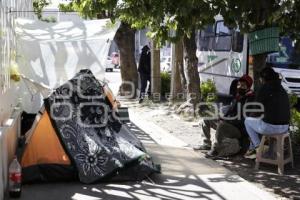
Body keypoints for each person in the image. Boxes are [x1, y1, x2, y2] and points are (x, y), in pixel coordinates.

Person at [194, 75, 255, 157]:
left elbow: (244, 120)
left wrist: (226, 120)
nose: (239, 87)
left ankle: (215, 150)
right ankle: (206, 143)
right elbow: (230, 111)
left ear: (248, 87)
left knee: (221, 126)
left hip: (238, 129)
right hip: (228, 123)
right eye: (238, 85)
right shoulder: (237, 96)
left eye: (243, 85)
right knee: (207, 118)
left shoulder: (250, 99)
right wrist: (221, 117)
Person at [244, 67, 290, 159]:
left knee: (247, 121)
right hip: (285, 128)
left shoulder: (264, 88)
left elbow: (257, 109)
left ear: (263, 78)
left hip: (271, 127)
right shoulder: (282, 88)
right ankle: (266, 152)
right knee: (263, 121)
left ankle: (257, 148)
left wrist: (251, 116)